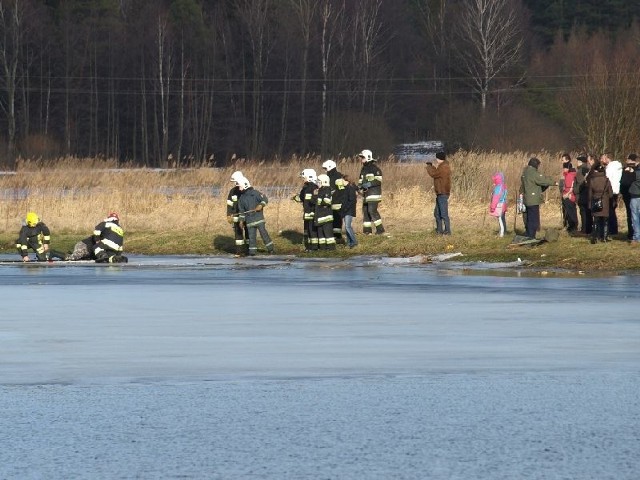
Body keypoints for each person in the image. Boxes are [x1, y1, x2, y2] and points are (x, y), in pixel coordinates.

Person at [520, 157, 557, 239]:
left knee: (529, 218)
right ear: (535, 165)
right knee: (533, 219)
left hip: (527, 199)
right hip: (533, 200)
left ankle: (528, 234)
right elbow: (542, 180)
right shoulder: (533, 173)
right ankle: (531, 236)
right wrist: (554, 182)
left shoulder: (525, 173)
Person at [238, 178, 274, 256]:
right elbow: (241, 211)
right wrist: (241, 221)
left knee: (264, 234)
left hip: (259, 219)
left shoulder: (255, 193)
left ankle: (271, 249)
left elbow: (265, 199)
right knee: (251, 238)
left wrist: (261, 205)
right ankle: (252, 252)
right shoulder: (241, 198)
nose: (239, 189)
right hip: (249, 222)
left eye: (240, 187)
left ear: (245, 185)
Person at [357, 149, 385, 235]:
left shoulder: (375, 169)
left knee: (372, 211)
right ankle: (367, 231)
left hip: (374, 194)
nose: (361, 160)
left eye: (363, 158)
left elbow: (378, 181)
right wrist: (359, 187)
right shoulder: (363, 169)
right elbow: (360, 181)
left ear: (368, 158)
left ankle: (380, 230)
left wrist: (368, 184)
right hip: (366, 194)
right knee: (365, 211)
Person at [426, 151, 451, 235]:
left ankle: (447, 231)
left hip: (442, 193)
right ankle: (439, 230)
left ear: (439, 158)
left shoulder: (444, 167)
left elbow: (434, 174)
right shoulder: (442, 166)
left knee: (443, 213)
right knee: (437, 213)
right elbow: (436, 173)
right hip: (440, 193)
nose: (436, 159)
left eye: (437, 158)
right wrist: (432, 166)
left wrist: (429, 166)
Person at [293, 168, 319, 251]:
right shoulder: (306, 187)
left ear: (309, 177)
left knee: (312, 230)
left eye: (304, 178)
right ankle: (309, 246)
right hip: (307, 212)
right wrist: (296, 198)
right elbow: (302, 197)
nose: (303, 180)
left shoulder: (313, 187)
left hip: (312, 212)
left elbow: (313, 200)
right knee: (307, 230)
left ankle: (314, 247)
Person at [587, 161, 613, 244]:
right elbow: (611, 193)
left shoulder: (592, 180)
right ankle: (604, 237)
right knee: (605, 220)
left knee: (596, 220)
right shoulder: (606, 180)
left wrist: (590, 203)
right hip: (604, 201)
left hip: (595, 200)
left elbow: (590, 193)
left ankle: (594, 237)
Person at [322, 159, 345, 243]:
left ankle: (338, 237)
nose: (325, 170)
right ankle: (333, 235)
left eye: (325, 168)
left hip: (337, 202)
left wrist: (334, 194)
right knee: (331, 220)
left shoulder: (337, 176)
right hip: (331, 202)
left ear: (330, 167)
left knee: (337, 219)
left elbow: (341, 190)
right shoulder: (328, 177)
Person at [227, 170, 249, 256]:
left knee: (248, 233)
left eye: (236, 181)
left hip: (246, 216)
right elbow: (229, 203)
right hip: (236, 216)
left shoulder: (246, 191)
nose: (235, 183)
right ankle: (239, 251)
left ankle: (248, 249)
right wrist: (228, 214)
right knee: (238, 235)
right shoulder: (232, 191)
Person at [601, 152, 622, 236]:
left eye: (604, 158)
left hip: (610, 191)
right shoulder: (618, 166)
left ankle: (612, 230)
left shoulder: (610, 167)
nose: (602, 160)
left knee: (610, 211)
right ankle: (613, 229)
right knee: (612, 210)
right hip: (616, 190)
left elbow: (607, 179)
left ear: (608, 158)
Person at [620, 154, 638, 240]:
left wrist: (622, 191)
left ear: (630, 159)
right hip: (634, 194)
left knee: (631, 215)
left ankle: (632, 233)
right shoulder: (637, 169)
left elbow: (624, 182)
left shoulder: (627, 170)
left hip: (629, 194)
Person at [315, 174, 336, 249]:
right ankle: (322, 248)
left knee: (328, 233)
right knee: (320, 233)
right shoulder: (320, 190)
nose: (317, 183)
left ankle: (331, 247)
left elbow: (327, 201)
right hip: (320, 216)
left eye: (319, 182)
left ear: (324, 182)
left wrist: (317, 200)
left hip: (326, 216)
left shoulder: (327, 190)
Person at [574, 154, 591, 234]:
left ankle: (585, 229)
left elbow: (580, 183)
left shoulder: (581, 171)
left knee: (583, 212)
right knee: (587, 212)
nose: (577, 163)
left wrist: (576, 190)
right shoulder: (588, 169)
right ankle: (588, 228)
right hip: (587, 194)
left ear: (581, 162)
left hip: (582, 194)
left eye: (578, 161)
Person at [340, 175, 358, 248]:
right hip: (346, 210)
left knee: (348, 226)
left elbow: (352, 200)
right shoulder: (345, 188)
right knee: (347, 227)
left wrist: (345, 208)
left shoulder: (350, 188)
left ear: (346, 180)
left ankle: (354, 241)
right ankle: (349, 243)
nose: (341, 182)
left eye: (342, 180)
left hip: (349, 210)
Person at [561, 161, 578, 233]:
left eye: (564, 168)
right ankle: (570, 226)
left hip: (569, 196)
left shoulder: (570, 175)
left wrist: (567, 194)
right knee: (569, 211)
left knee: (571, 211)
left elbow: (571, 186)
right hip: (567, 194)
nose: (563, 170)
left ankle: (572, 226)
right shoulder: (567, 175)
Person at [489, 172, 508, 237]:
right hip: (504, 204)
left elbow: (495, 198)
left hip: (499, 205)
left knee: (500, 219)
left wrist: (492, 207)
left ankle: (501, 234)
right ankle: (504, 231)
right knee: (502, 218)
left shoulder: (498, 188)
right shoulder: (503, 186)